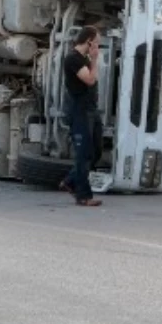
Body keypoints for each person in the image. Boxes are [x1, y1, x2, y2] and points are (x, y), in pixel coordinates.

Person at [57, 26, 104, 207]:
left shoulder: (83, 59)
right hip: (80, 111)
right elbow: (90, 80)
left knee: (95, 151)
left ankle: (70, 181)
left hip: (91, 109)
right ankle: (83, 196)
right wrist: (94, 59)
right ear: (89, 40)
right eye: (97, 41)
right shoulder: (73, 59)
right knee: (83, 154)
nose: (98, 45)